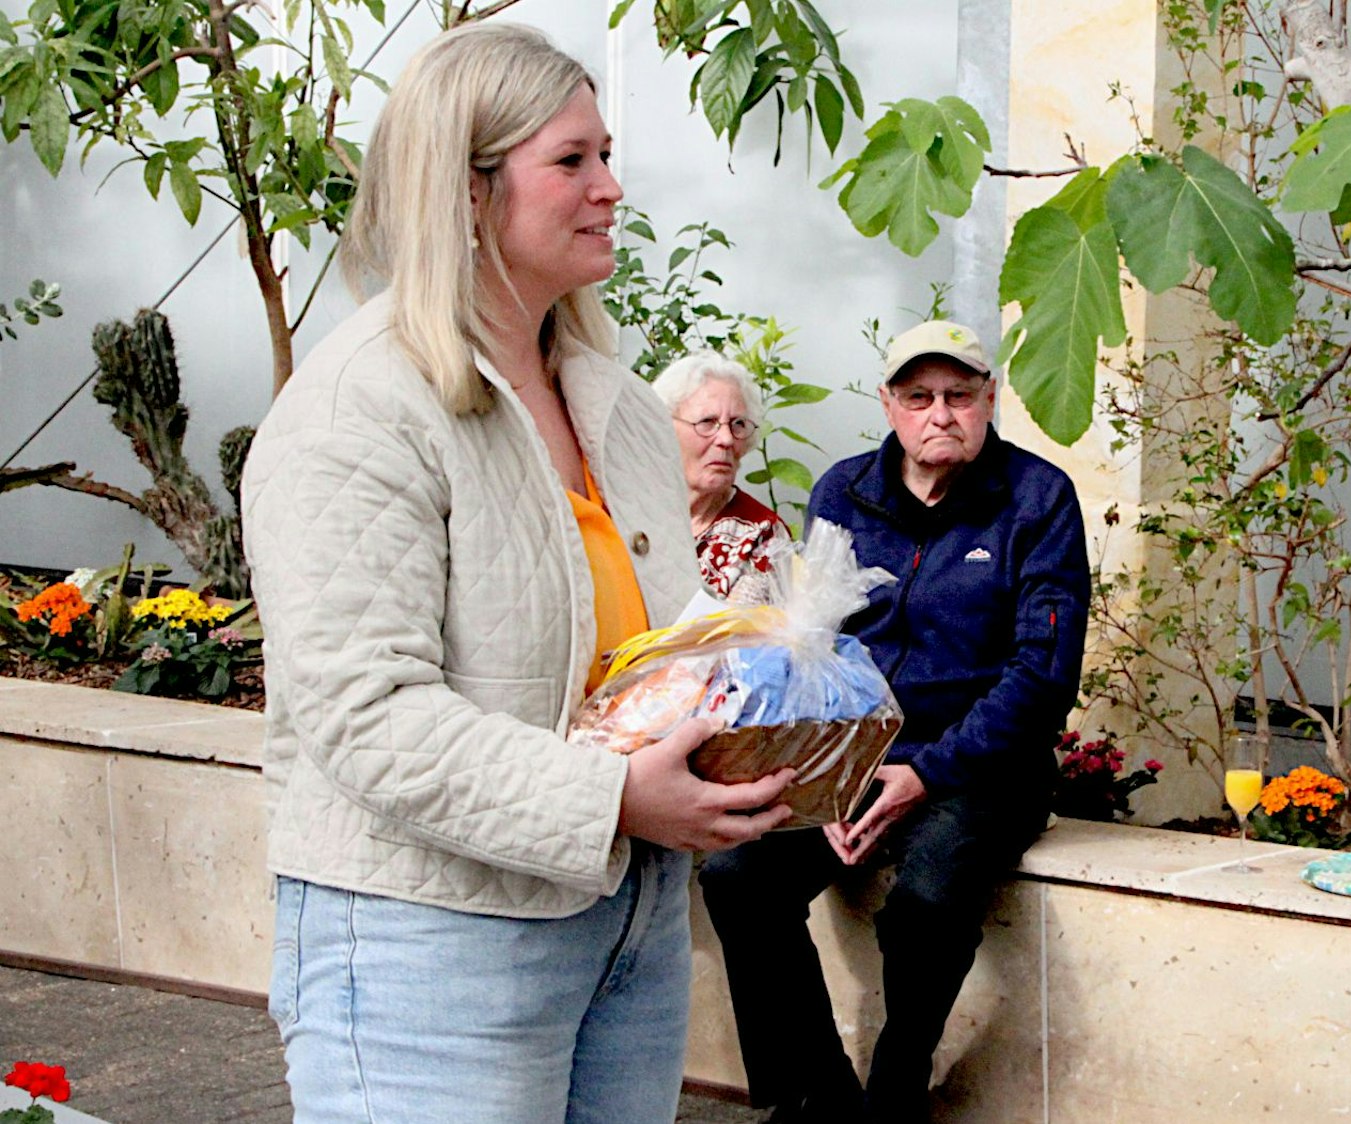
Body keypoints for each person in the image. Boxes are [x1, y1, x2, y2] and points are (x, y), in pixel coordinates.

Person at [240, 23, 792, 1123]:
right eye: (572, 161)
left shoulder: (620, 406)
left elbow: (652, 651)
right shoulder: (358, 409)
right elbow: (365, 713)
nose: (611, 187)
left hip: (626, 921)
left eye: (606, 155)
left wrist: (778, 707)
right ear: (469, 190)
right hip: (426, 940)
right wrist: (613, 795)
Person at [698, 320, 1090, 1123]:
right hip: (854, 750)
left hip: (982, 765)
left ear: (987, 400)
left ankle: (894, 1091)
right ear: (889, 405)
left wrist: (928, 771)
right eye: (918, 397)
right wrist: (831, 772)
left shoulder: (1038, 498)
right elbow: (821, 640)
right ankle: (817, 1095)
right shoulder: (845, 489)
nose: (939, 413)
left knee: (925, 901)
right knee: (736, 875)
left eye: (957, 395)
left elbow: (1043, 676)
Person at [653, 350, 788, 601]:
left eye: (738, 424)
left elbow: (747, 632)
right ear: (664, 427)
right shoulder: (628, 510)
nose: (726, 439)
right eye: (707, 422)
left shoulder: (762, 535)